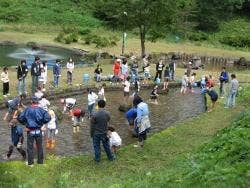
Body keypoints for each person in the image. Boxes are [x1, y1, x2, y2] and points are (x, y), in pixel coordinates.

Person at [18, 96, 51, 166]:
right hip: (39, 131)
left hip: (30, 131)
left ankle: (30, 164)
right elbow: (48, 117)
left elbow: (20, 118)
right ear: (38, 102)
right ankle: (40, 163)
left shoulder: (27, 109)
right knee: (40, 147)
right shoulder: (41, 110)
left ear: (31, 102)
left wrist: (26, 124)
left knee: (30, 148)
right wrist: (42, 124)